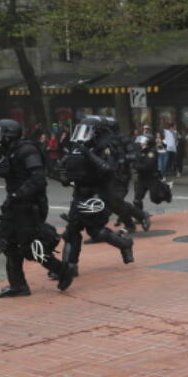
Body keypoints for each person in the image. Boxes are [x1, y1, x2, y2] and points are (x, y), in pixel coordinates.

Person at [0, 119, 72, 297]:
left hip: (29, 205)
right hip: (14, 204)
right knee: (9, 244)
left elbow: (38, 178)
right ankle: (18, 286)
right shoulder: (9, 151)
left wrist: (19, 194)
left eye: (0, 134)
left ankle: (62, 269)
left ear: (9, 136)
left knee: (29, 247)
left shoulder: (27, 150)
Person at [59, 116, 134, 274]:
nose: (83, 134)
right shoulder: (78, 146)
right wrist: (65, 175)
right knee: (72, 229)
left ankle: (125, 244)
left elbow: (108, 168)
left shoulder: (105, 146)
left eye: (88, 131)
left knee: (96, 231)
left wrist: (89, 155)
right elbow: (68, 166)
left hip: (98, 192)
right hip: (80, 192)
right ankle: (69, 266)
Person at [131, 134, 170, 218]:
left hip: (151, 178)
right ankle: (140, 216)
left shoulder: (152, 152)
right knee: (137, 198)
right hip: (141, 178)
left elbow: (147, 166)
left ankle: (166, 191)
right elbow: (134, 159)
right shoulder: (140, 151)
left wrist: (135, 165)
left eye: (144, 141)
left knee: (155, 198)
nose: (142, 143)